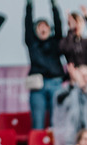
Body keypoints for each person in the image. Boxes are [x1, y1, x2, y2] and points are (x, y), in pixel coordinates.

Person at [25, 0, 64, 130]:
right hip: (37, 85)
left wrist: (53, 5)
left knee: (56, 119)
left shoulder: (56, 41)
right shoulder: (32, 42)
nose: (42, 28)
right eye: (39, 26)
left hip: (55, 83)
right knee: (38, 121)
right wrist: (29, 4)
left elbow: (59, 24)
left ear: (49, 29)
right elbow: (27, 24)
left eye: (45, 26)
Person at [59, 5, 87, 83]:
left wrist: (86, 17)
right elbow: (65, 49)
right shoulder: (67, 42)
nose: (77, 25)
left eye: (79, 22)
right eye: (74, 22)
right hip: (75, 81)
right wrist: (71, 30)